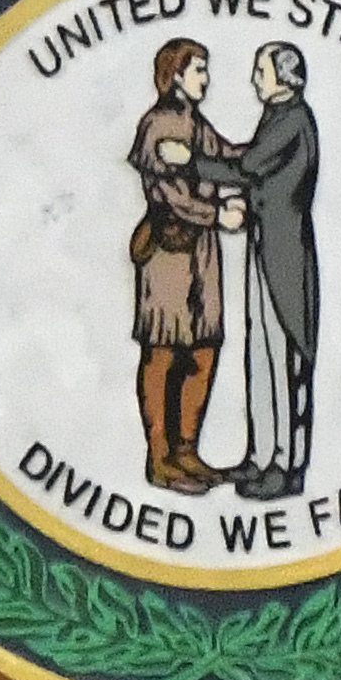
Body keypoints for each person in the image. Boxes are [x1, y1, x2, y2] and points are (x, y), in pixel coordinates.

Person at [127, 40, 244, 492]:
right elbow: (168, 195)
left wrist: (266, 153)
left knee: (202, 351)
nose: (205, 80)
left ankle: (187, 452)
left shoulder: (196, 123)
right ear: (175, 74)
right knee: (163, 351)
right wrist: (217, 215)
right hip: (168, 253)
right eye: (198, 71)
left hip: (202, 255)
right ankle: (160, 460)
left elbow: (224, 156)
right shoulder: (158, 125)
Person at [221, 44, 321, 501]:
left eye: (260, 70)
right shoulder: (275, 118)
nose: (254, 79)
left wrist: (191, 162)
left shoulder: (293, 120)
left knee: (284, 360)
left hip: (285, 257)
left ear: (284, 78)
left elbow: (249, 166)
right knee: (259, 353)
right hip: (265, 248)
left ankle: (285, 465)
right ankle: (260, 456)